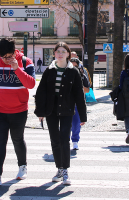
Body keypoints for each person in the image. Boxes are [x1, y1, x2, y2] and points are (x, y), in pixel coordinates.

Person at [34, 42, 87, 185]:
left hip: (67, 109)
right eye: (58, 51)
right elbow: (41, 92)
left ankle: (65, 171)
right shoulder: (49, 70)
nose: (61, 53)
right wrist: (40, 111)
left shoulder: (73, 71)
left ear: (68, 54)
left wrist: (83, 116)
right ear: (54, 54)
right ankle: (59, 168)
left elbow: (79, 95)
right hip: (51, 110)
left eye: (64, 51)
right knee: (55, 140)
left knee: (64, 139)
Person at [0, 38, 36, 185]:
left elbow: (31, 84)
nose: (7, 59)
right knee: (0, 142)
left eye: (10, 56)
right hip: (1, 111)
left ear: (15, 51)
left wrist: (17, 69)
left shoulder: (26, 61)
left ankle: (22, 166)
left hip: (19, 110)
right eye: (3, 57)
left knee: (17, 139)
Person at [70, 57, 90, 150]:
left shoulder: (82, 76)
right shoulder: (64, 75)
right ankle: (65, 140)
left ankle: (75, 141)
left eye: (76, 66)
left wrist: (79, 87)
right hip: (67, 103)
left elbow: (87, 89)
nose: (74, 68)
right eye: (72, 66)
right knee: (66, 123)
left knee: (77, 123)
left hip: (78, 104)